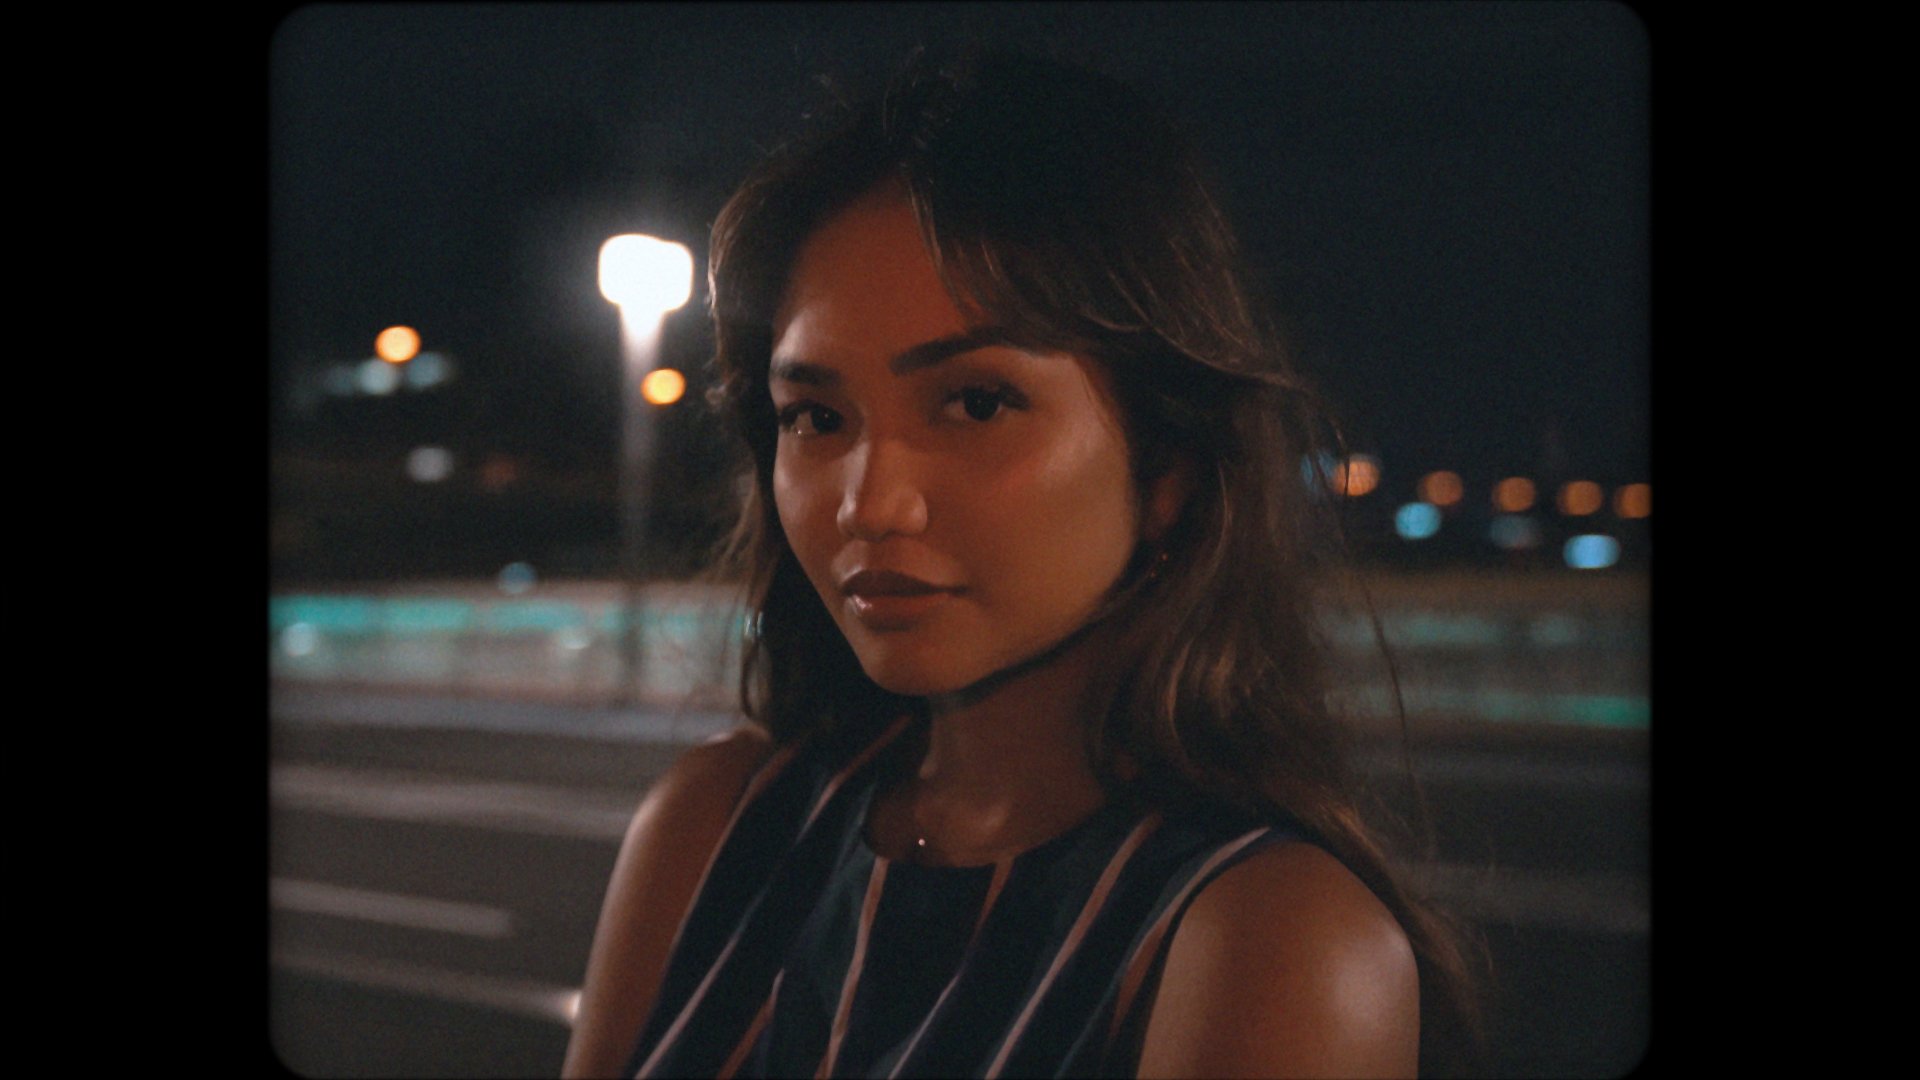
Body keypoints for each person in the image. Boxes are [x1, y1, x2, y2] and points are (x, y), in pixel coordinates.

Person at [563, 47, 1480, 1079]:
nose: (869, 501)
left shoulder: (1264, 937)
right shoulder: (720, 827)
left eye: (977, 403)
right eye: (817, 416)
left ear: (1168, 466)